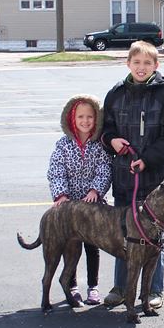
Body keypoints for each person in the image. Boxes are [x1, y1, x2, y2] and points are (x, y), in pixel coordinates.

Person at [100, 40, 164, 310]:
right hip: (126, 178)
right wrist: (111, 140)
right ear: (128, 64)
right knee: (123, 233)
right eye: (136, 62)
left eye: (147, 63)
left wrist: (147, 160)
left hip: (157, 183)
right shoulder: (115, 94)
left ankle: (152, 290)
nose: (141, 67)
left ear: (156, 65)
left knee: (153, 237)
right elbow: (106, 130)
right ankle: (120, 288)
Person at [47, 94, 112, 306]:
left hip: (91, 208)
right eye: (80, 117)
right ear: (71, 119)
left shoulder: (99, 145)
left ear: (96, 119)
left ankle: (93, 286)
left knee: (92, 247)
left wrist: (95, 190)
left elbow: (104, 169)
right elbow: (56, 171)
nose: (85, 121)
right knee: (70, 247)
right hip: (70, 209)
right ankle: (72, 285)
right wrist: (61, 195)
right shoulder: (63, 145)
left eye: (90, 117)